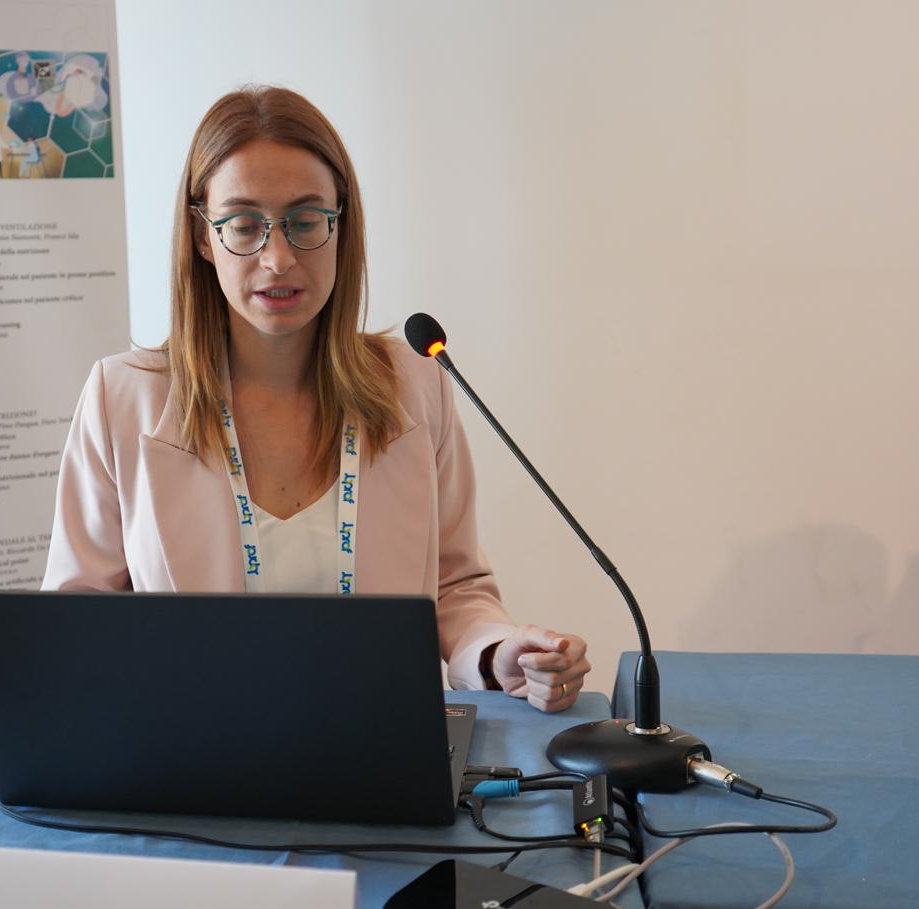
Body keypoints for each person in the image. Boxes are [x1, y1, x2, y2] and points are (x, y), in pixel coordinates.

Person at [40, 86, 591, 712]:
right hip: (195, 748)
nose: (278, 260)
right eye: (244, 225)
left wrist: (496, 651)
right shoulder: (121, 398)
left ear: (340, 227)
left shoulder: (417, 384)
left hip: (377, 740)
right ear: (202, 237)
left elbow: (458, 585)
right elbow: (76, 622)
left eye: (304, 223)